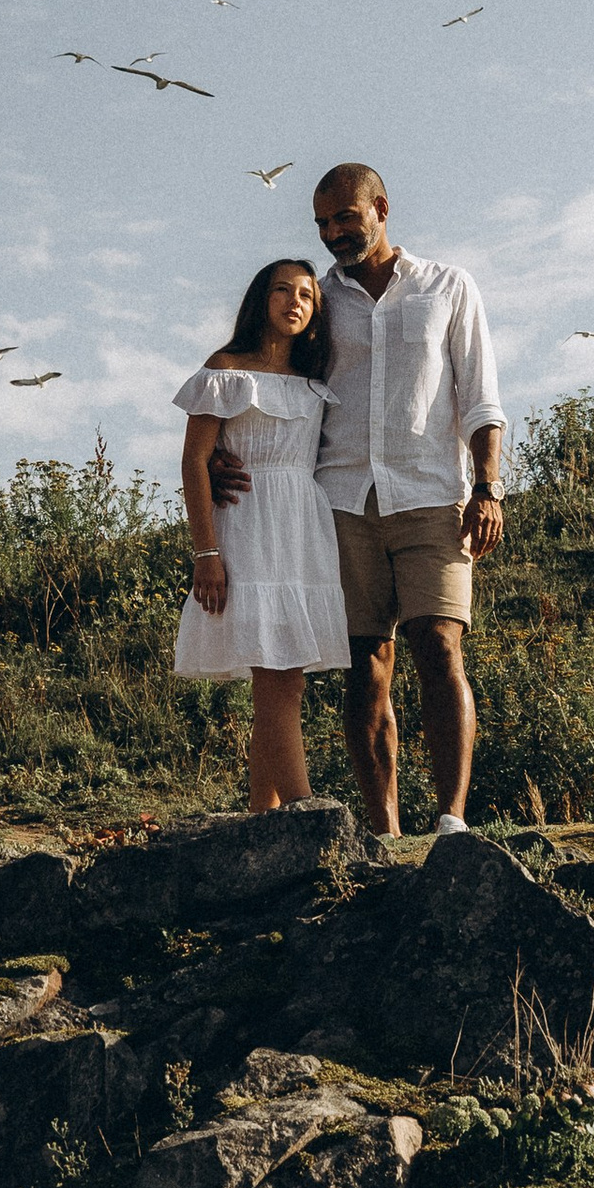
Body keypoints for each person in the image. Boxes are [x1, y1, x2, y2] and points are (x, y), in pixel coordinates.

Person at [220, 162, 504, 839]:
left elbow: (482, 398)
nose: (333, 233)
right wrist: (226, 443)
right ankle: (385, 830)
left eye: (344, 217)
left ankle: (452, 821)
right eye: (322, 223)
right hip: (340, 499)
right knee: (365, 663)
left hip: (434, 492)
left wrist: (489, 486)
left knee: (439, 646)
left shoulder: (448, 286)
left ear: (380, 207)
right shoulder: (319, 298)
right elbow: (262, 363)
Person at [171, 255, 349, 811]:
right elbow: (195, 463)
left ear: (315, 310)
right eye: (281, 291)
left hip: (302, 530)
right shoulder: (227, 368)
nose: (293, 302)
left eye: (305, 294)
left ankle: (262, 818)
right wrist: (207, 553)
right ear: (260, 299)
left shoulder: (315, 380)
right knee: (276, 676)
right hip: (247, 526)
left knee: (285, 679)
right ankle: (305, 813)